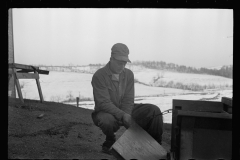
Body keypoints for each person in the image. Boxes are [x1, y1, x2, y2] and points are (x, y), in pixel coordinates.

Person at [91, 43, 163, 154]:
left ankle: (155, 147)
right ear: (111, 59)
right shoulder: (99, 75)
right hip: (106, 111)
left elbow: (129, 99)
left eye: (124, 63)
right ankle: (110, 139)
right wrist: (123, 116)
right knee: (107, 121)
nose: (122, 66)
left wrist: (127, 115)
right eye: (119, 63)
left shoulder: (129, 74)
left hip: (125, 109)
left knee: (153, 111)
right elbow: (103, 103)